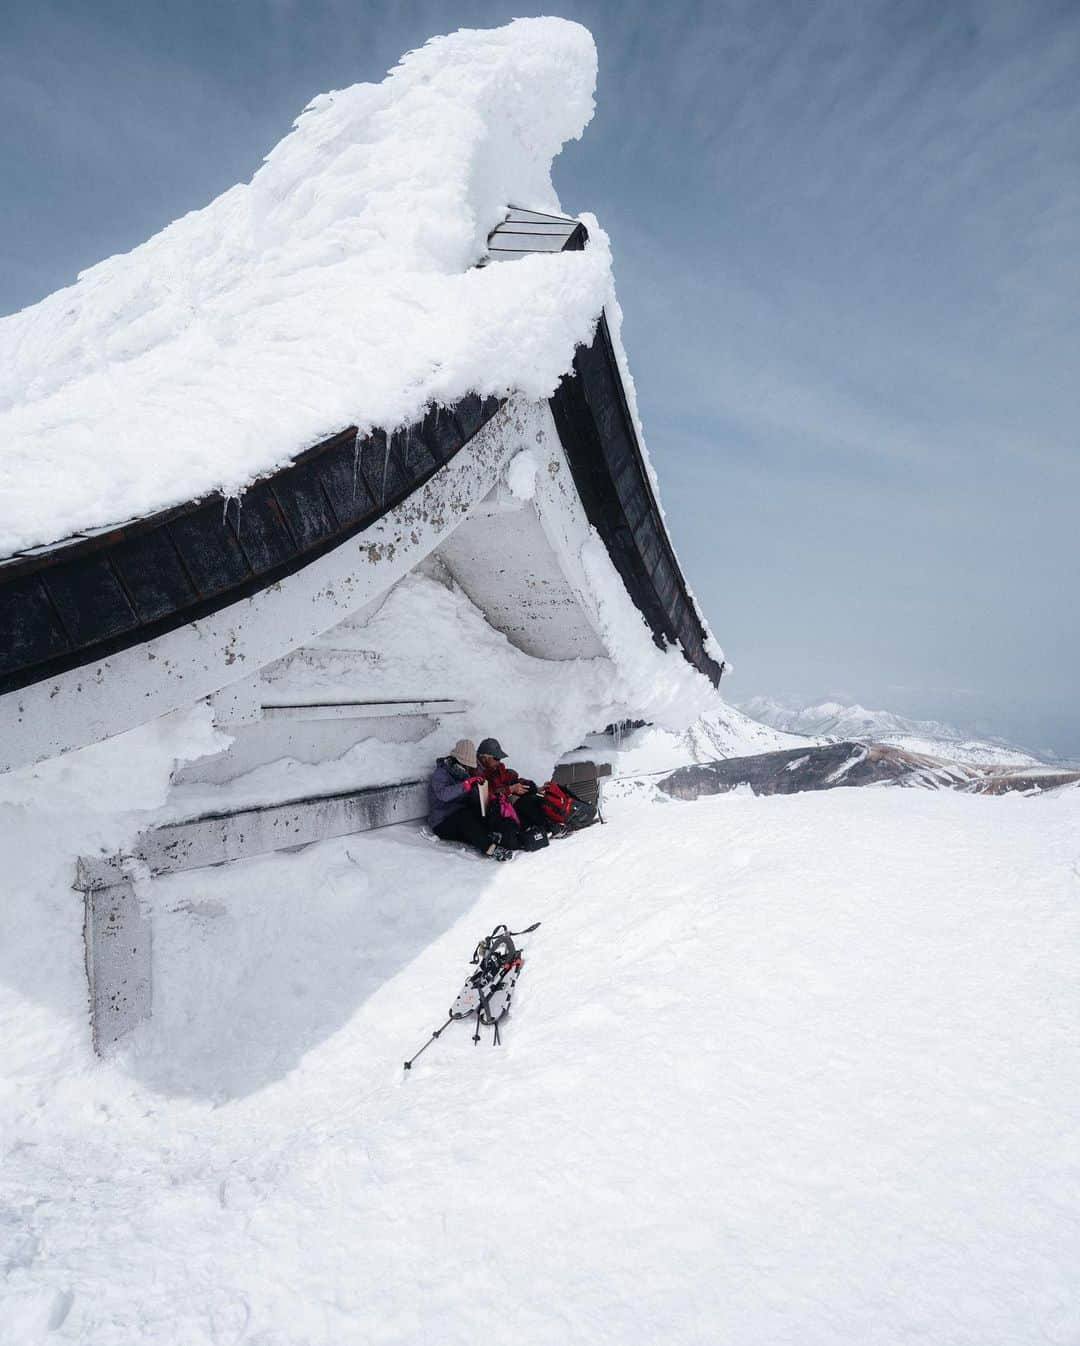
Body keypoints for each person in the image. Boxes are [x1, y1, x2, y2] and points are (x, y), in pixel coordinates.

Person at [428, 738, 514, 861]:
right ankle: (490, 848)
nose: (468, 769)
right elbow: (443, 795)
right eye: (466, 766)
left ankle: (491, 835)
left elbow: (468, 798)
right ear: (458, 761)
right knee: (465, 818)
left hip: (459, 814)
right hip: (441, 822)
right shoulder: (441, 773)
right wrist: (465, 785)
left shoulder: (463, 773)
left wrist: (478, 789)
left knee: (479, 811)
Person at [476, 737, 551, 840]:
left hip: (505, 803)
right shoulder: (476, 772)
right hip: (494, 812)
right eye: (496, 758)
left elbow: (512, 779)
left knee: (534, 797)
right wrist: (509, 790)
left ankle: (549, 823)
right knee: (524, 803)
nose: (499, 761)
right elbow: (485, 795)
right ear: (484, 757)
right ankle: (547, 827)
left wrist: (536, 788)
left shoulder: (495, 767)